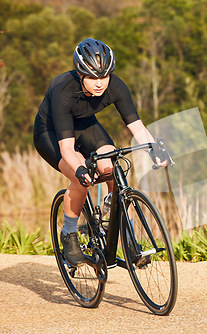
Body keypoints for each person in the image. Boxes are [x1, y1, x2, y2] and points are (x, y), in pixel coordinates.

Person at [33, 38, 166, 266]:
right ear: (80, 73)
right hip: (52, 133)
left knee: (113, 168)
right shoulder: (63, 89)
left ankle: (127, 235)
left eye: (104, 76)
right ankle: (70, 233)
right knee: (81, 179)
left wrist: (155, 150)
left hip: (86, 125)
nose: (99, 83)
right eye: (93, 77)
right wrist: (81, 169)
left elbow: (138, 128)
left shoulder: (116, 86)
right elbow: (67, 148)